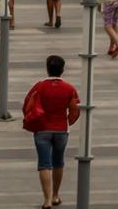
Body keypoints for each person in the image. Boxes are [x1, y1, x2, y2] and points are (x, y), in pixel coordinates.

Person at [23, 55, 81, 209]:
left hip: (42, 129)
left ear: (47, 69)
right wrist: (69, 121)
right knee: (58, 161)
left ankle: (47, 200)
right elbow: (75, 110)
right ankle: (56, 195)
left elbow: (28, 106)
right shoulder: (69, 88)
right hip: (61, 129)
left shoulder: (39, 86)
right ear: (62, 69)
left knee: (44, 164)